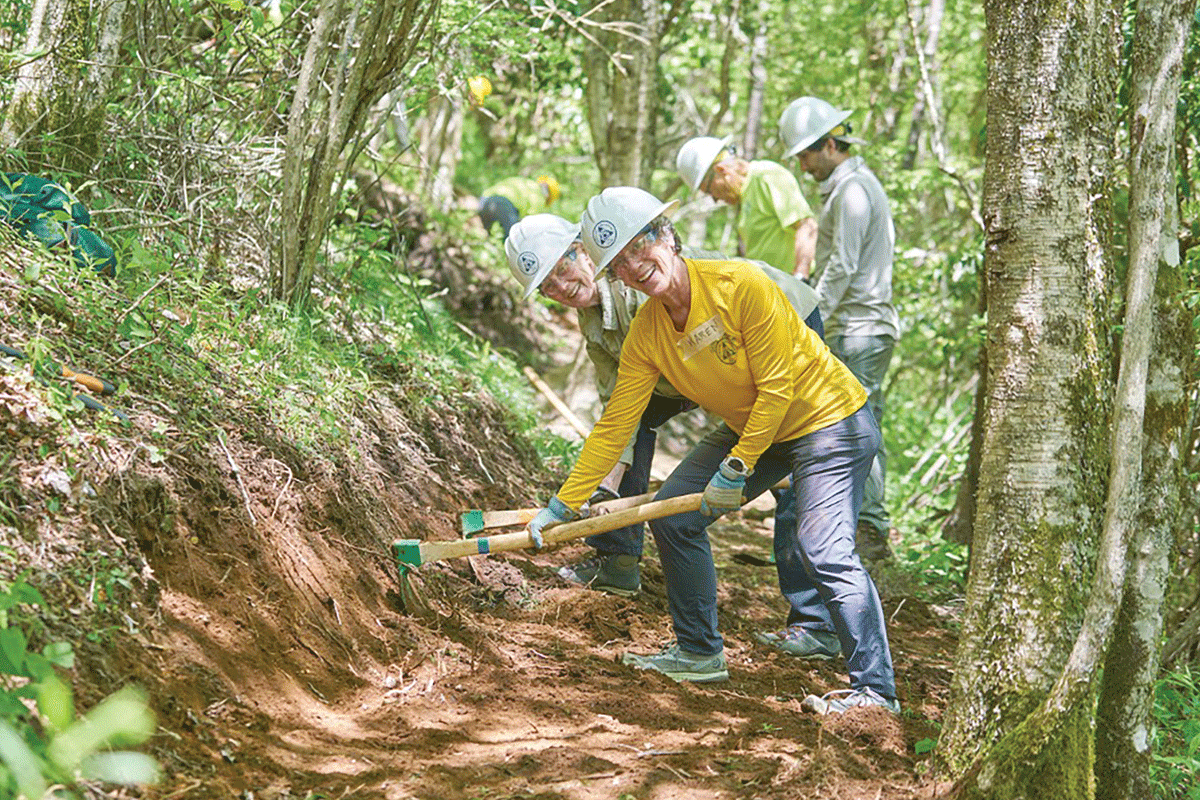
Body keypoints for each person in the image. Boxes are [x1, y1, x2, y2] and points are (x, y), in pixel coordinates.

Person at [526, 187, 898, 715]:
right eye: (621, 262)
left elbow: (778, 387)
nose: (636, 265)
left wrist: (738, 466)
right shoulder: (646, 335)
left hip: (829, 419)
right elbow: (615, 427)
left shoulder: (740, 285)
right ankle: (699, 651)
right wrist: (563, 505)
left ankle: (876, 692)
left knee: (823, 549)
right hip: (759, 429)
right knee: (675, 518)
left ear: (669, 236)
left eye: (642, 244)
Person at [504, 209, 822, 602]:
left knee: (790, 450)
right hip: (693, 365)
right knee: (633, 429)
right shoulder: (593, 319)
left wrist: (741, 464)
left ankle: (813, 615)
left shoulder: (641, 280)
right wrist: (587, 494)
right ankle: (618, 561)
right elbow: (617, 414)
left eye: (562, 266)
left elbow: (723, 363)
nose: (562, 286)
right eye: (547, 285)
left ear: (584, 251)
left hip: (777, 321)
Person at [778, 97, 900, 564]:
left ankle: (868, 529)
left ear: (832, 144)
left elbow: (843, 267)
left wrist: (809, 317)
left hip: (859, 328)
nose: (804, 164)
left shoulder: (852, 192)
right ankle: (857, 524)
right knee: (854, 425)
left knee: (859, 426)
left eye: (808, 154)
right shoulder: (847, 189)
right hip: (857, 326)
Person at [675, 136, 818, 278]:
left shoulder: (766, 176)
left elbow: (806, 225)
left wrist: (801, 276)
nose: (715, 199)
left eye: (709, 191)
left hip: (795, 285)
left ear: (721, 170)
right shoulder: (745, 196)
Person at [478, 175, 560, 238]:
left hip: (486, 202)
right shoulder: (539, 197)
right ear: (548, 196)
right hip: (506, 207)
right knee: (513, 238)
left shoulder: (523, 181)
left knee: (485, 232)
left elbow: (491, 190)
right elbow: (529, 221)